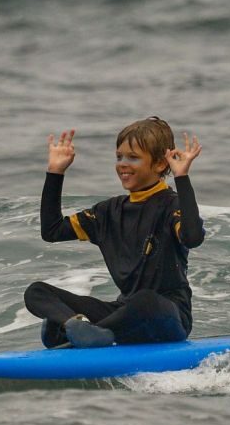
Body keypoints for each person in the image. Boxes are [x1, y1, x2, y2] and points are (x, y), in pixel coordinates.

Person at [24, 116, 205, 348]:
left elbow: (192, 237)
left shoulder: (172, 206)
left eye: (133, 157)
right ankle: (79, 328)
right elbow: (52, 230)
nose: (122, 164)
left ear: (160, 164)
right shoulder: (107, 213)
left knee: (145, 300)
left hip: (167, 315)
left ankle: (84, 333)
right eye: (119, 157)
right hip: (123, 311)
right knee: (36, 292)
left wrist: (181, 178)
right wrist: (55, 173)